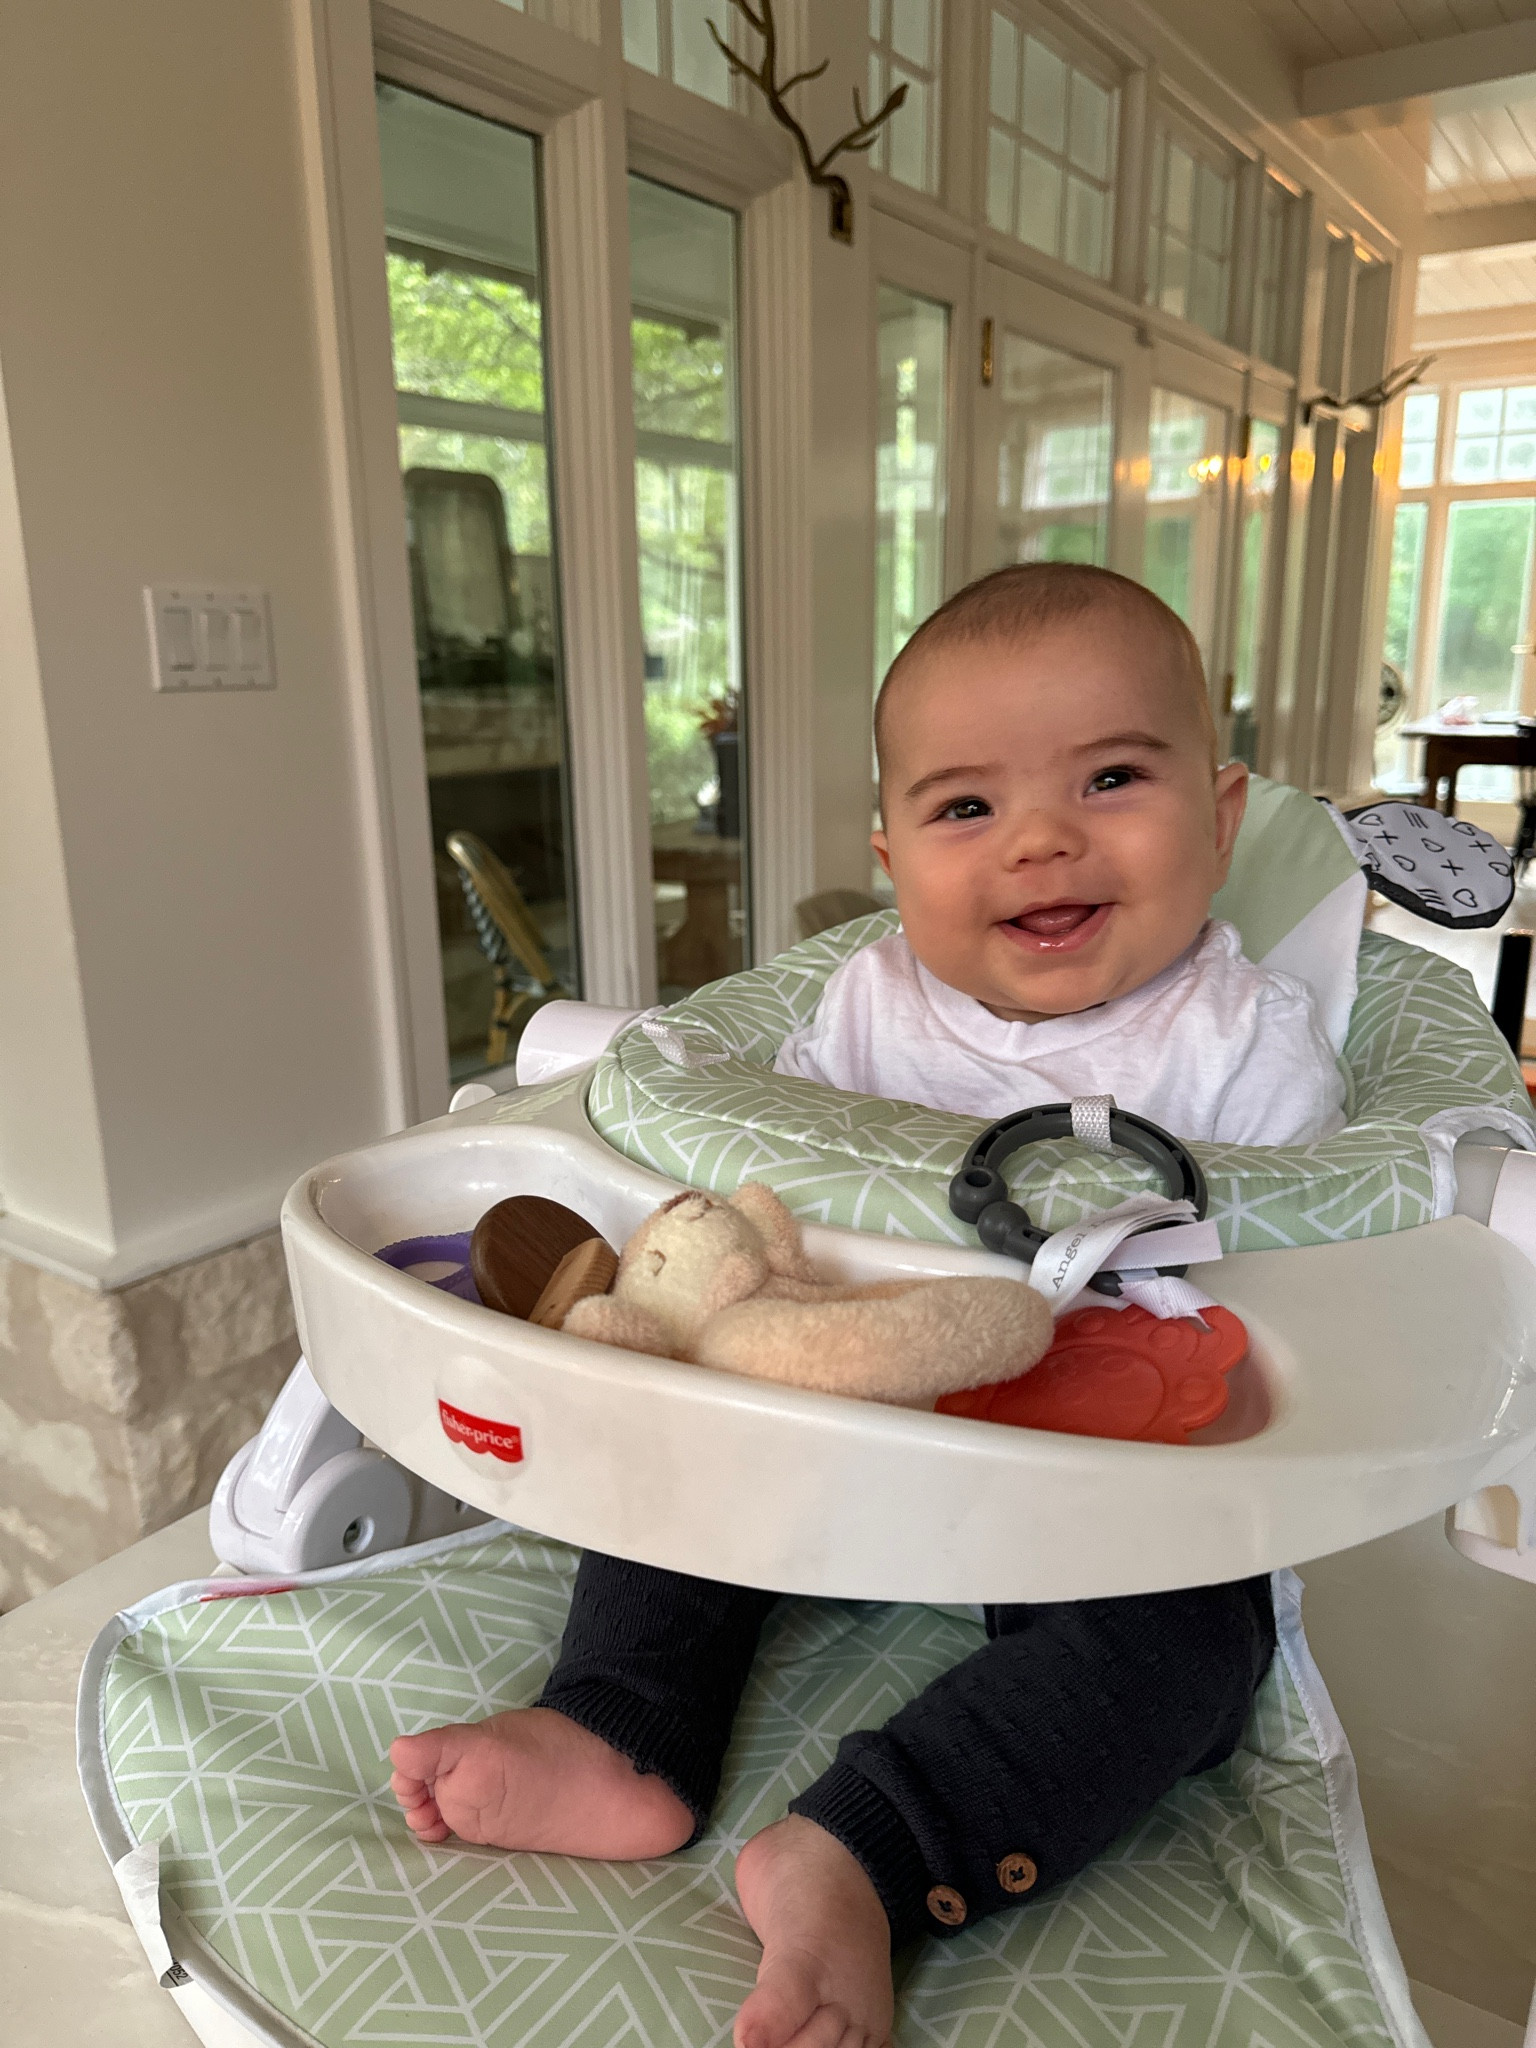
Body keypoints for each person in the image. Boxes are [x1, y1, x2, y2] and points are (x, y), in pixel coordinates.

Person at [389, 564, 1345, 2048]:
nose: (1041, 837)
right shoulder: (861, 1008)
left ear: (1218, 822)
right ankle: (615, 1727)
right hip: (846, 1410)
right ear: (892, 853)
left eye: (1110, 777)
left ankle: (865, 1851)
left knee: (1194, 1651)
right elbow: (774, 1211)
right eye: (967, 809)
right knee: (681, 1456)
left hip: (1098, 1471)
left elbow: (1294, 1269)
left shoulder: (1244, 1039)